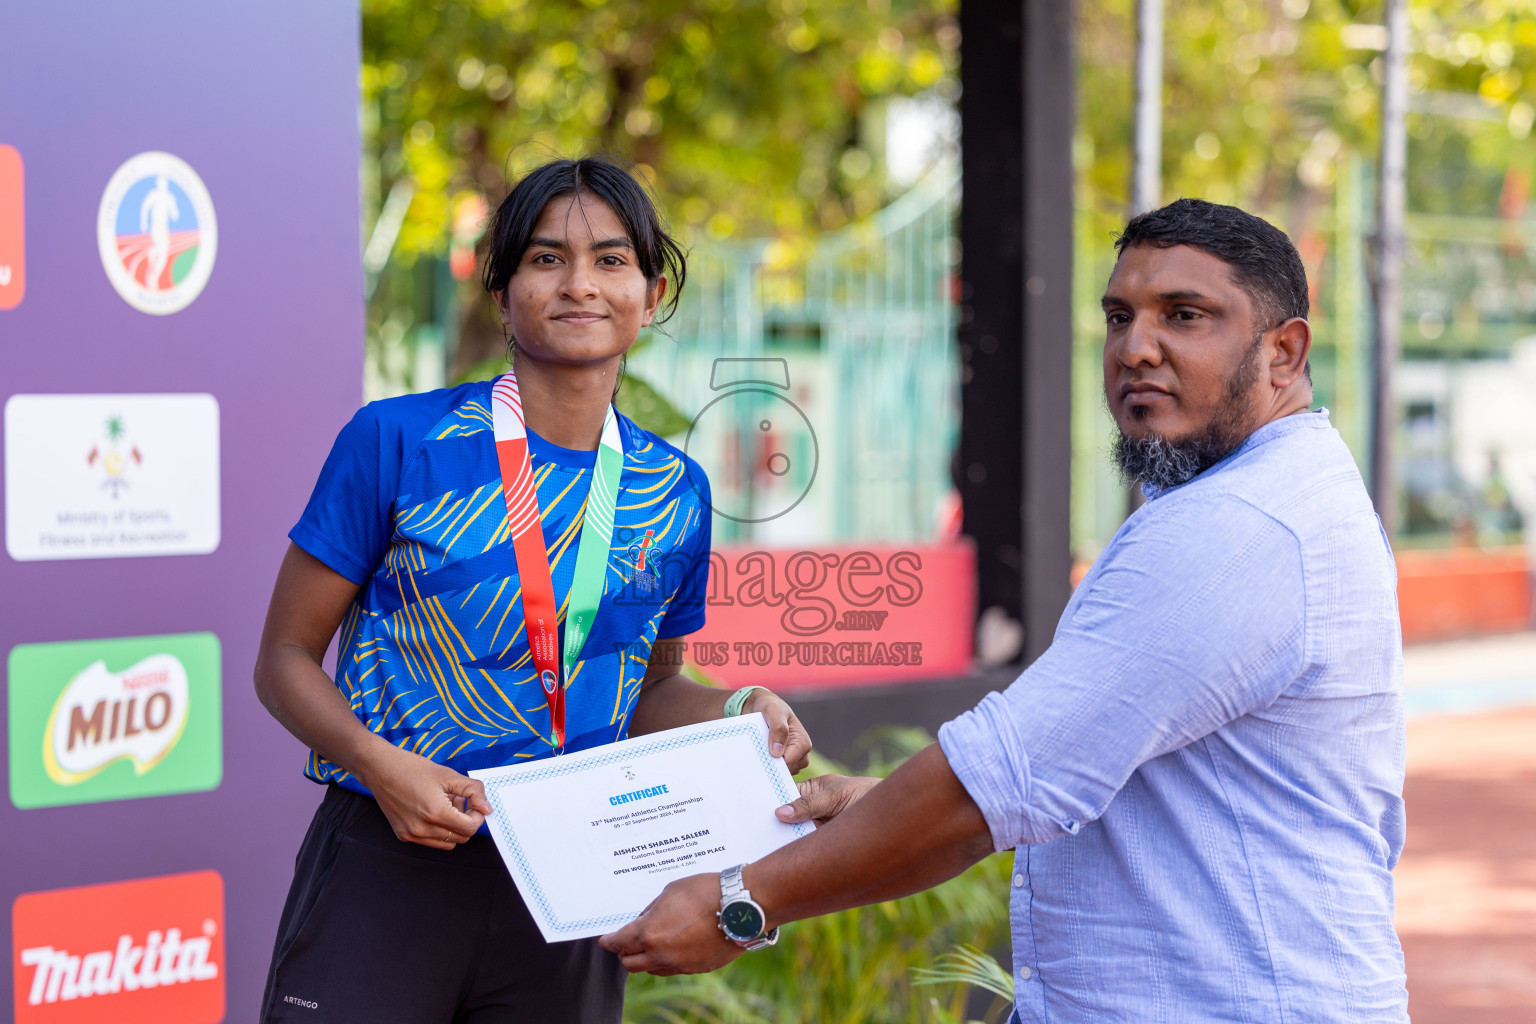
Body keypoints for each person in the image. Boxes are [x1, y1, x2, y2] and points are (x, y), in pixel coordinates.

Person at [600, 198, 1410, 1023]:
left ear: (1284, 351)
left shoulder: (1240, 525)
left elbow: (988, 790)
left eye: (1187, 316)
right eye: (1119, 315)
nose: (1136, 348)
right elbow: (1098, 775)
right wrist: (881, 803)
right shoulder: (1275, 496)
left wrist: (740, 902)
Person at [253, 155, 813, 1024]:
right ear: (502, 286)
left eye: (612, 260)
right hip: (388, 860)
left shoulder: (675, 489)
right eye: (547, 258)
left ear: (653, 292)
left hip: (574, 880)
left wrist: (740, 707)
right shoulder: (397, 441)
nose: (580, 284)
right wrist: (380, 764)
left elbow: (650, 686)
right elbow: (283, 658)